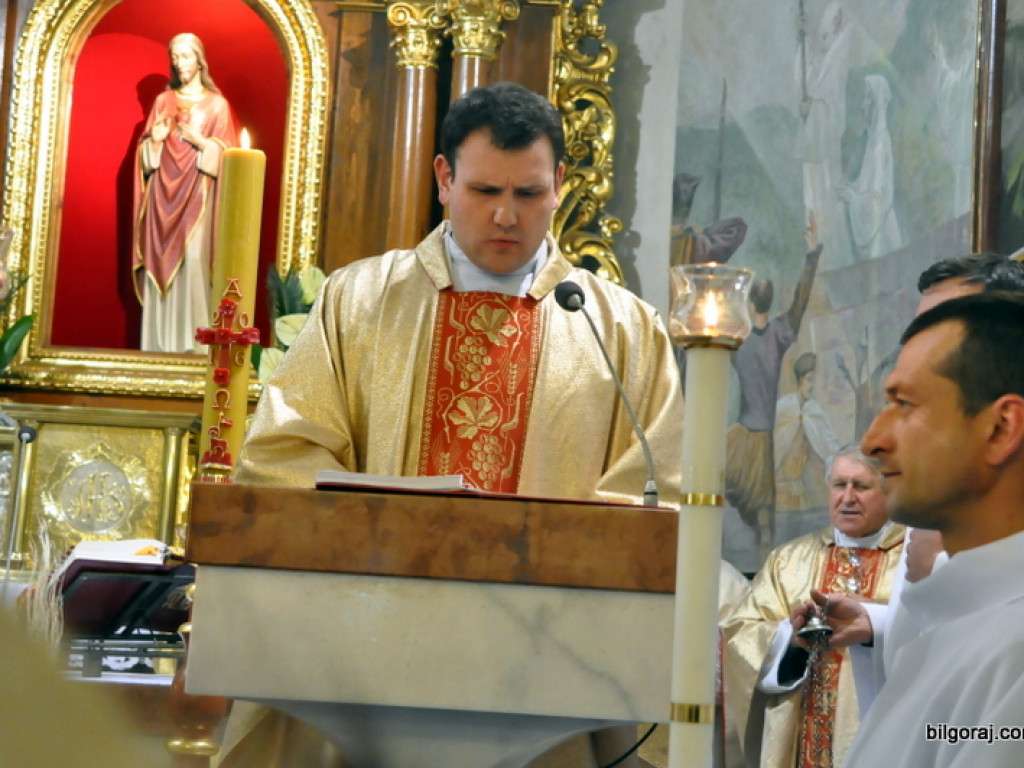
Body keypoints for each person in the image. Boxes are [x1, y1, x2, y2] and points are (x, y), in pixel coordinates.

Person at [220, 81, 685, 768]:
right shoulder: (361, 299)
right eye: (484, 190)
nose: (506, 216)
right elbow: (284, 459)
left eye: (529, 194)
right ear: (444, 178)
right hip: (371, 651)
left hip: (550, 661)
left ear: (559, 183)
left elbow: (657, 495)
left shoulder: (619, 328)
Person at [805, 253, 1024, 703]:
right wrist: (876, 626)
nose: (873, 442)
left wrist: (941, 570)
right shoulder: (941, 505)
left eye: (946, 322)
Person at [840, 293, 1024, 767]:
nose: (873, 441)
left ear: (1001, 428)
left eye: (904, 404)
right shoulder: (963, 620)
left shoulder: (1015, 653)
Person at [721, 446, 904, 768]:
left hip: (888, 732)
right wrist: (788, 640)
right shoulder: (788, 560)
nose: (847, 498)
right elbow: (741, 635)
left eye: (861, 486)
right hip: (800, 736)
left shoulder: (918, 557)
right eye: (839, 485)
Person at [133, 32, 238, 354]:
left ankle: (196, 347)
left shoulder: (217, 105)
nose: (180, 63)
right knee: (158, 265)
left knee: (193, 262)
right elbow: (145, 161)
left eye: (186, 56)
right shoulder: (163, 102)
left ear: (200, 59)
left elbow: (230, 157)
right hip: (161, 198)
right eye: (175, 57)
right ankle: (157, 347)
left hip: (198, 198)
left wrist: (201, 143)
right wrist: (154, 140)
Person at [725, 226, 822, 562]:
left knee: (751, 502)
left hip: (748, 436)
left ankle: (759, 557)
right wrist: (811, 257)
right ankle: (759, 550)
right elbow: (800, 300)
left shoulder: (739, 337)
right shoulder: (778, 334)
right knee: (756, 507)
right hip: (756, 435)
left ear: (750, 303)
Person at [774, 351, 841, 512]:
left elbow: (829, 445)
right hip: (782, 488)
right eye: (810, 379)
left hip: (808, 489)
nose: (813, 385)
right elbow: (774, 448)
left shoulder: (815, 410)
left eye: (815, 380)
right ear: (800, 381)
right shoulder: (783, 408)